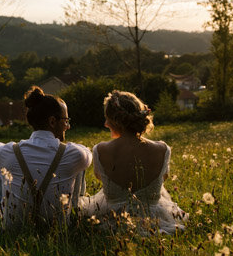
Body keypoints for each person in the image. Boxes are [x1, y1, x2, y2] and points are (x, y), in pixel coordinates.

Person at [0, 86, 91, 230]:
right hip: (57, 229)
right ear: (52, 121)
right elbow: (87, 152)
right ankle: (74, 212)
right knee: (79, 165)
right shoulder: (73, 154)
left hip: (13, 228)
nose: (68, 126)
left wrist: (4, 146)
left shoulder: (10, 152)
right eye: (66, 120)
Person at [78, 90, 187, 234]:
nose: (105, 124)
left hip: (114, 220)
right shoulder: (162, 149)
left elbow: (100, 177)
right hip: (154, 220)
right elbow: (163, 179)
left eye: (107, 118)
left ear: (115, 120)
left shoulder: (101, 150)